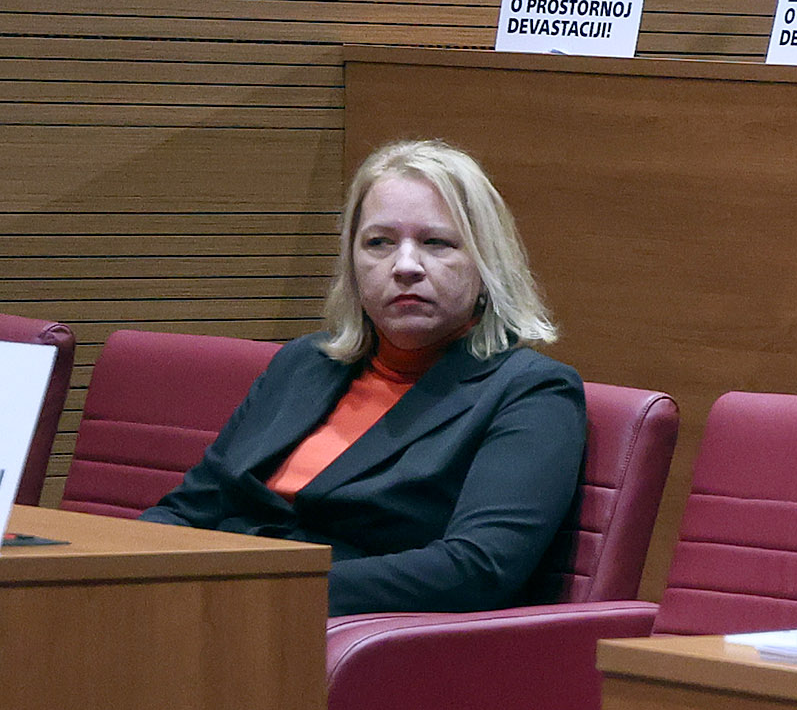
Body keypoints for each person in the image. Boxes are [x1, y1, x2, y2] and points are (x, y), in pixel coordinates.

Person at [150, 141, 586, 612]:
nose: (405, 266)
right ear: (352, 264)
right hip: (211, 606)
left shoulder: (529, 391)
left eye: (436, 243)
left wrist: (262, 587)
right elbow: (191, 508)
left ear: (486, 265)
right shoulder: (304, 363)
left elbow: (477, 568)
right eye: (379, 243)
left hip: (342, 630)